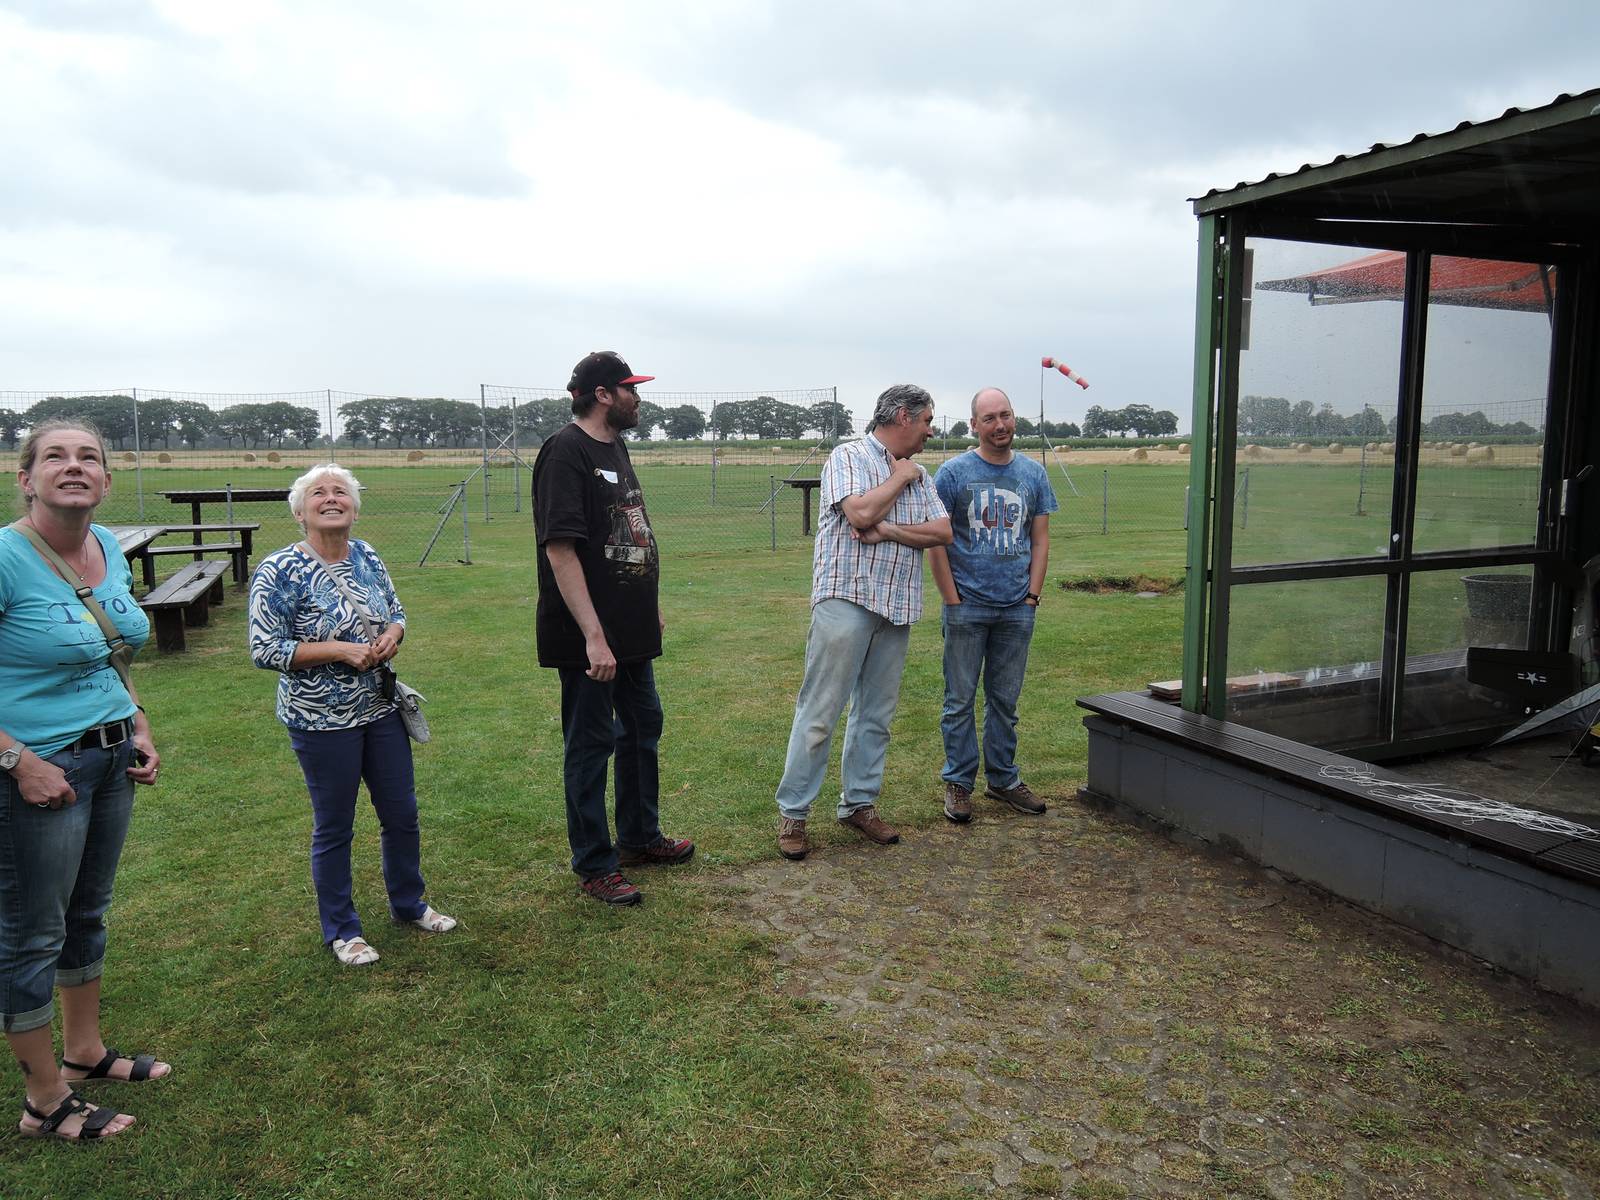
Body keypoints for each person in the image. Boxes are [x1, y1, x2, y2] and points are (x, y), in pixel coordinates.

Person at [0, 419, 167, 1142]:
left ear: (105, 478)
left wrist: (138, 723)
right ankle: (44, 1098)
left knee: (87, 912)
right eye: (56, 457)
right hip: (39, 771)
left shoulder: (105, 547)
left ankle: (84, 1051)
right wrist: (19, 762)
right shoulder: (6, 558)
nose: (74, 466)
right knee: (31, 932)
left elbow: (110, 654)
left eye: (89, 457)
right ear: (26, 478)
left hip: (109, 758)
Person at [249, 464, 455, 966]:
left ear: (355, 509)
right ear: (300, 513)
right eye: (318, 493)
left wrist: (393, 636)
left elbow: (396, 611)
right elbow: (265, 649)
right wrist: (338, 650)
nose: (331, 498)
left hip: (380, 710)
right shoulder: (279, 570)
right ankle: (343, 930)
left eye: (340, 491)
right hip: (321, 721)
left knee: (401, 814)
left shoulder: (366, 555)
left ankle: (409, 904)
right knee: (335, 826)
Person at [532, 351, 694, 906]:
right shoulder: (565, 451)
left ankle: (639, 838)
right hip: (588, 636)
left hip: (632, 628)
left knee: (643, 726)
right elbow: (561, 550)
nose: (638, 397)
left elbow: (629, 531)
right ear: (603, 394)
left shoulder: (615, 446)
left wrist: (649, 606)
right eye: (630, 388)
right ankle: (595, 864)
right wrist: (593, 637)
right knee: (591, 744)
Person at [774, 384, 952, 861]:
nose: (930, 431)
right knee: (821, 711)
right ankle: (794, 814)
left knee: (876, 714)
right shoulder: (848, 456)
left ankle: (859, 805)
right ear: (902, 416)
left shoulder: (921, 474)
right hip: (846, 600)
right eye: (926, 420)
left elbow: (942, 531)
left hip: (897, 606)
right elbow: (860, 512)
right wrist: (899, 479)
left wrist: (890, 530)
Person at [928, 387, 1058, 823]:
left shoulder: (1033, 474)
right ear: (974, 426)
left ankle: (1003, 779)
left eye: (1005, 415)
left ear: (1014, 418)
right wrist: (952, 598)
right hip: (966, 606)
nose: (1000, 425)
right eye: (989, 418)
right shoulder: (953, 473)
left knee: (1005, 700)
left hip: (1017, 607)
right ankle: (959, 783)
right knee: (959, 700)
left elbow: (1039, 540)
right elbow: (937, 541)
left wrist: (1032, 596)